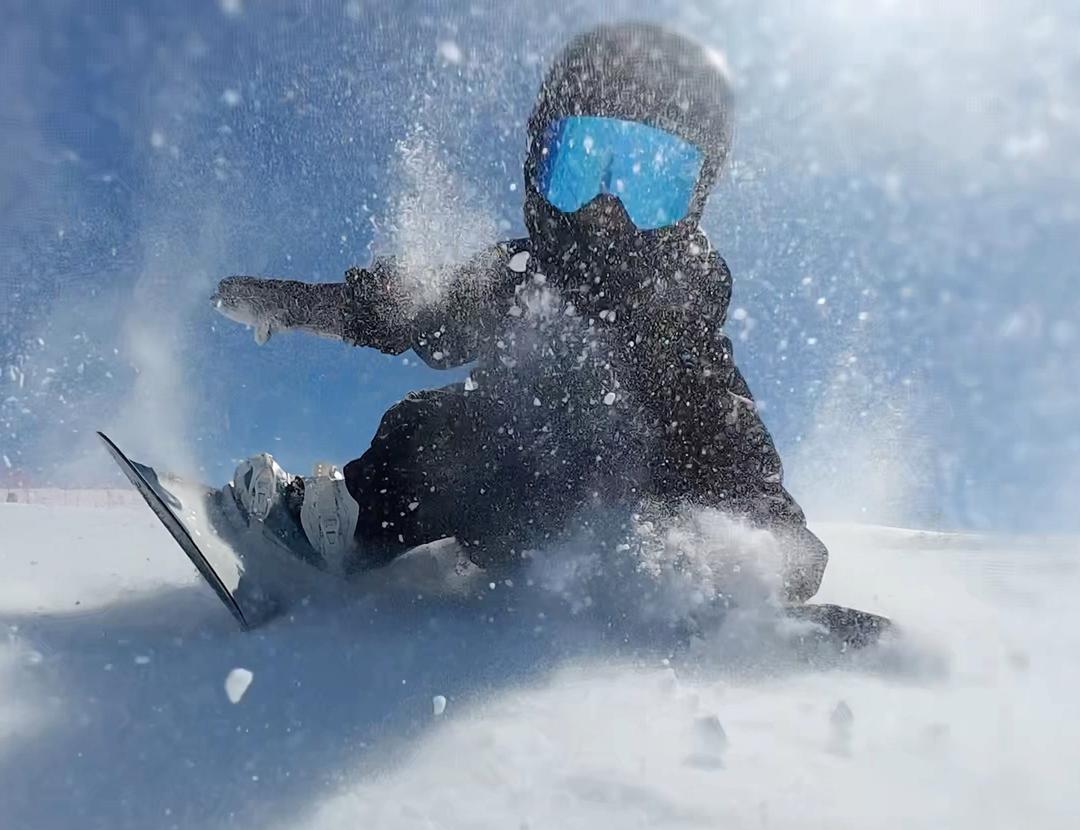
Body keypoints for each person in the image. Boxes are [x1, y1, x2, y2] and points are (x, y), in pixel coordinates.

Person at [212, 22, 829, 603]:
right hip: (510, 510)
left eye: (652, 183)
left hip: (627, 534)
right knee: (439, 427)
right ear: (539, 164)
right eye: (580, 166)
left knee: (476, 436)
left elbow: (727, 431)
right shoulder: (524, 279)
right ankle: (338, 526)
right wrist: (293, 305)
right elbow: (410, 308)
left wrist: (769, 542)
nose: (606, 209)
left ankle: (676, 585)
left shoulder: (675, 319)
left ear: (693, 201)